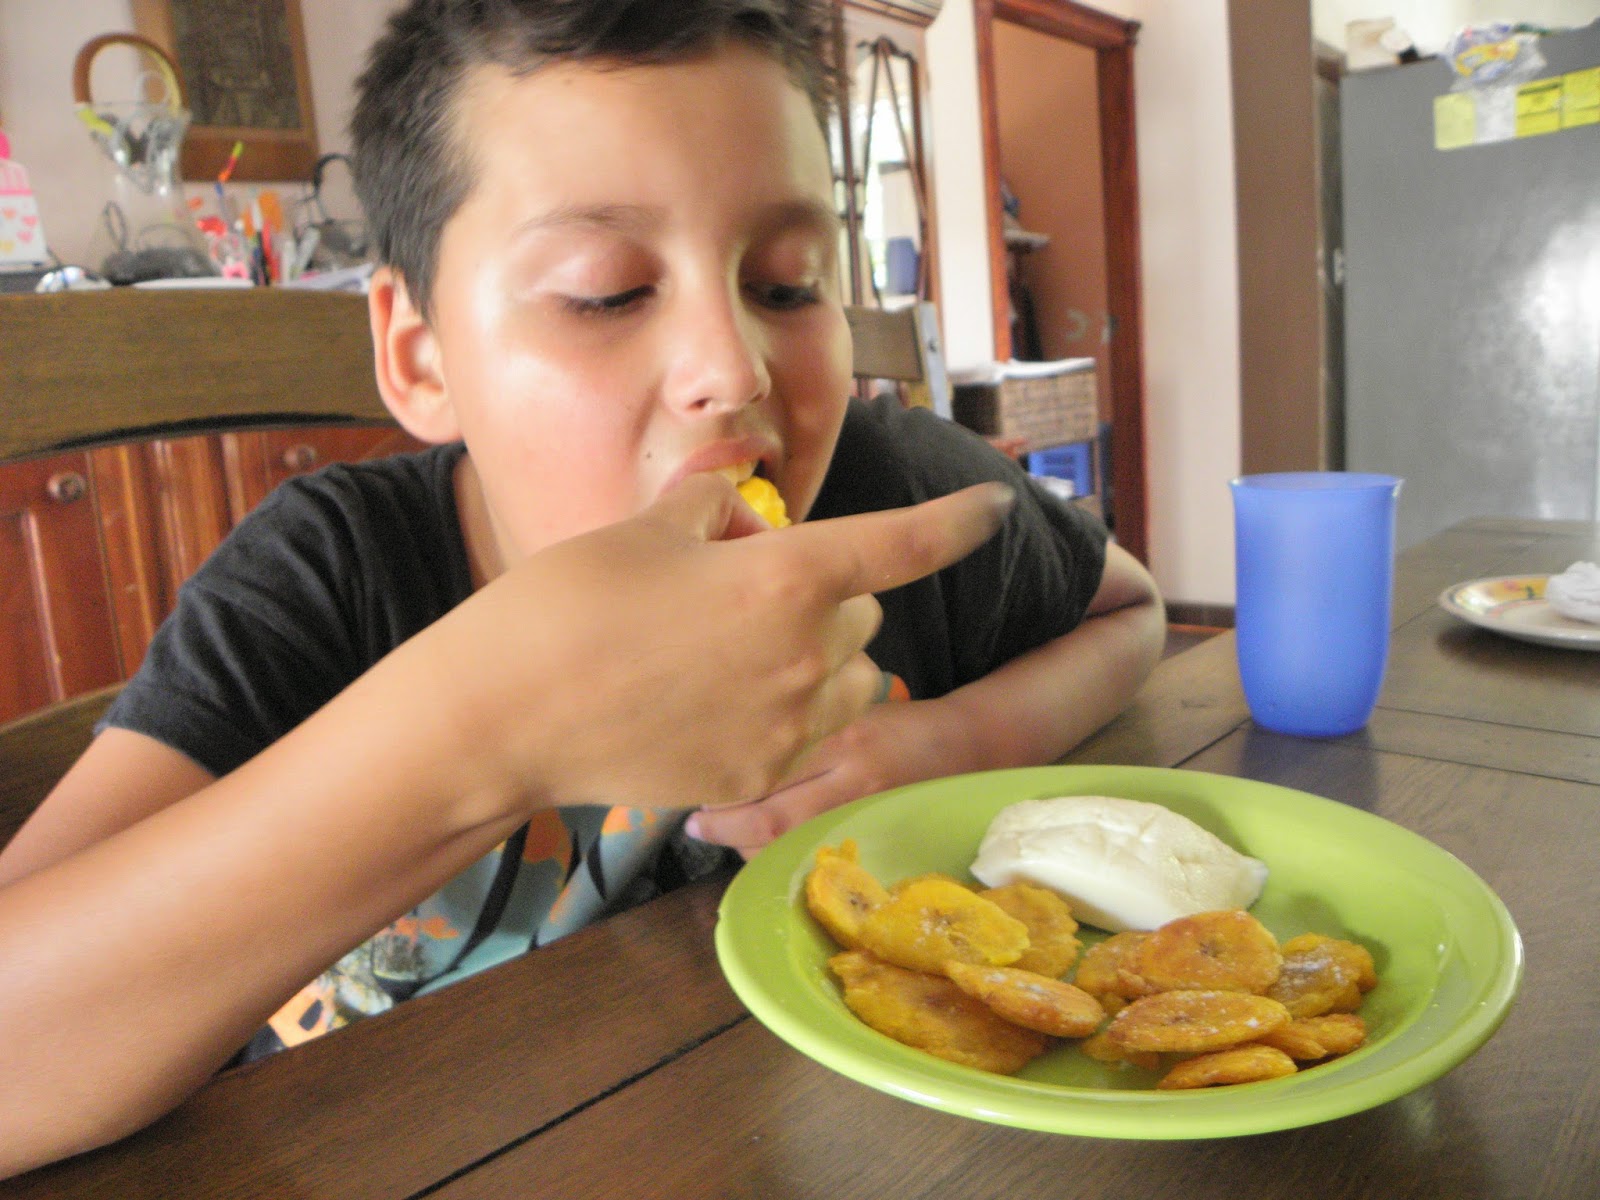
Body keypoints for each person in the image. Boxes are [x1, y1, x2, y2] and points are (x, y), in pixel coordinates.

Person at [0, 0, 1162, 1175]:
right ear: (418, 353)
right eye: (605, 292)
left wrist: (962, 740)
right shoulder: (329, 574)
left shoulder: (890, 500)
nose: (732, 368)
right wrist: (490, 728)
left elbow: (1133, 612)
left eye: (786, 282)